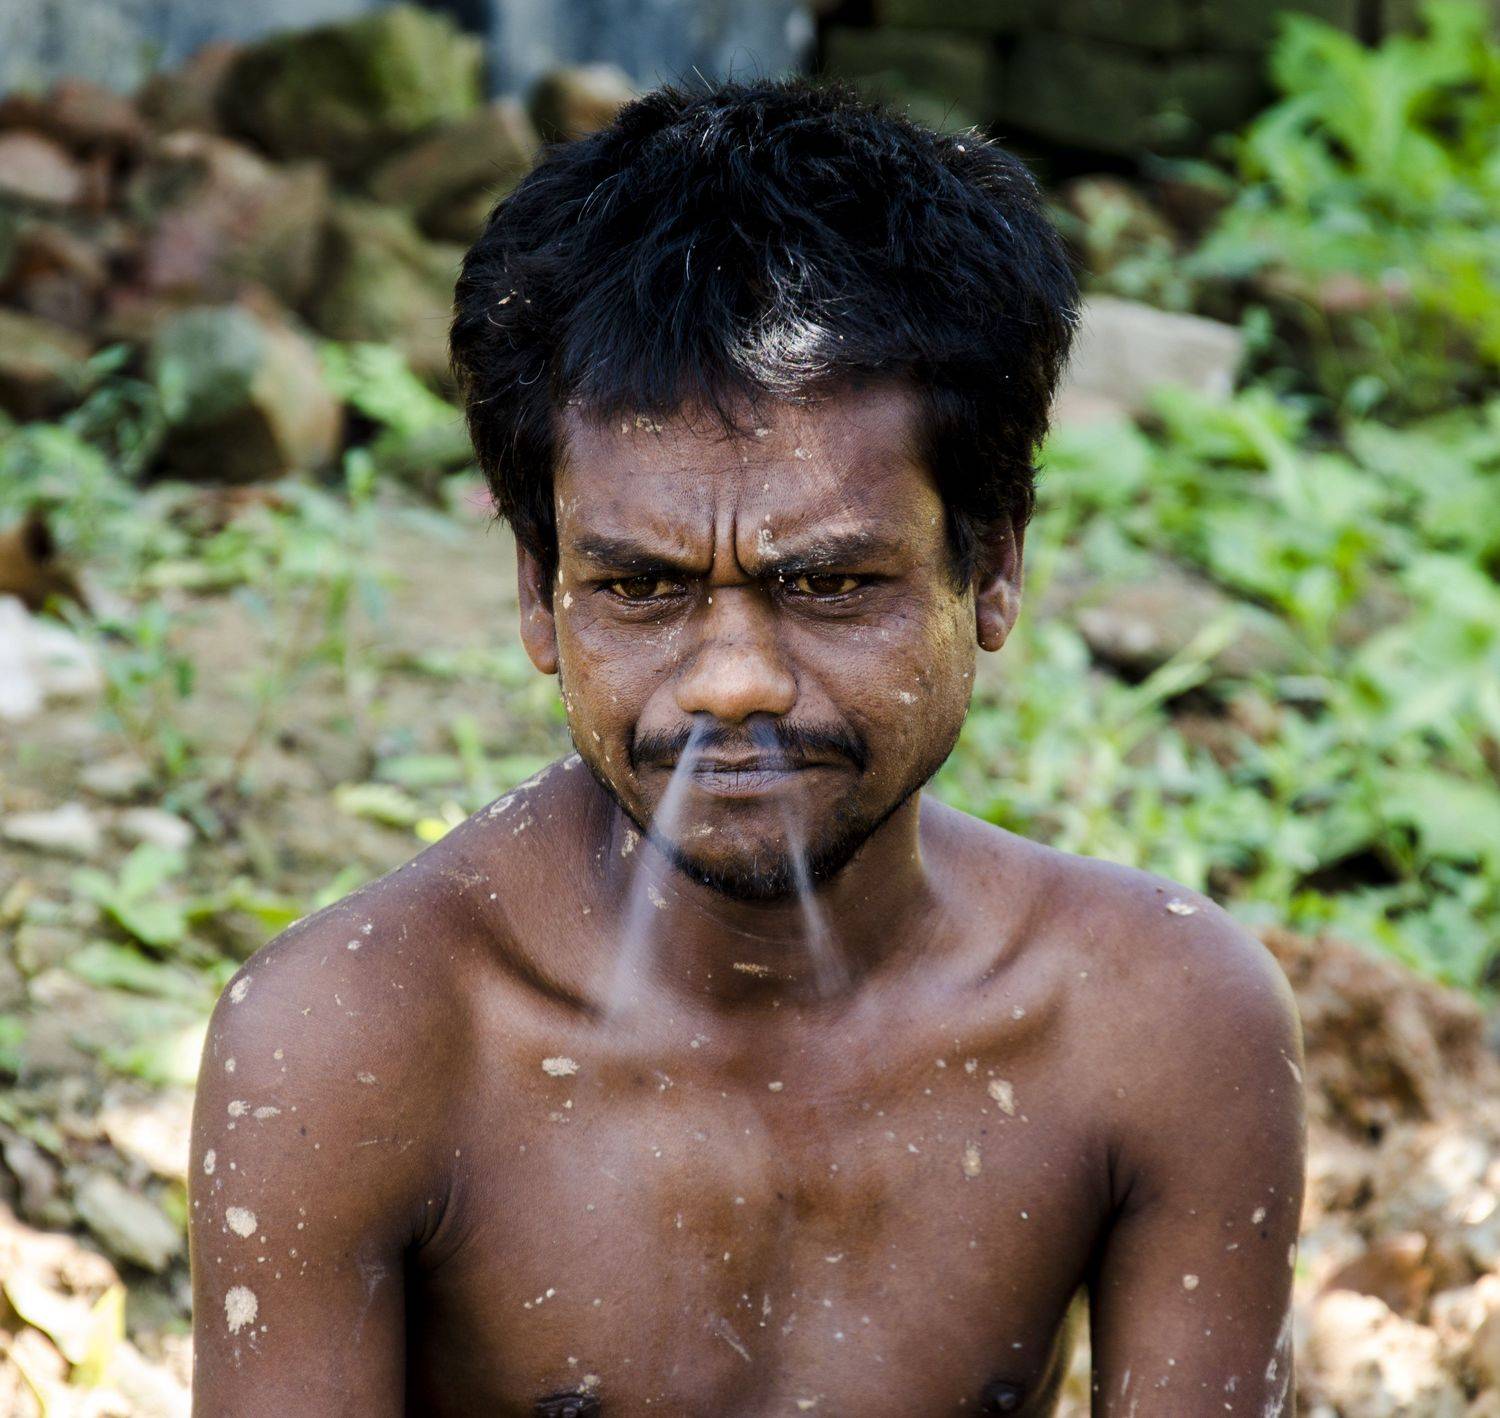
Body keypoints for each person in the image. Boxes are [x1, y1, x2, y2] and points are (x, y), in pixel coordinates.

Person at [189, 79, 1306, 1416]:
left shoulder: (1152, 1023)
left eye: (828, 586)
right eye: (640, 589)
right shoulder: (358, 1042)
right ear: (540, 593)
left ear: (994, 567)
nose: (733, 682)